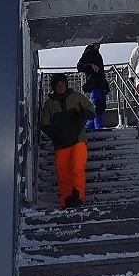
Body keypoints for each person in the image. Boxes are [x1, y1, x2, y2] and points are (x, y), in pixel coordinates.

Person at [40, 72, 95, 208]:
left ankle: (78, 198)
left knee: (77, 169)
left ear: (66, 84)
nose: (61, 87)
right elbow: (44, 124)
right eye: (58, 85)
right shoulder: (49, 105)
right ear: (53, 86)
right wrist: (55, 135)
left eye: (63, 84)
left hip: (78, 140)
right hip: (60, 144)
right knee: (63, 174)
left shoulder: (76, 97)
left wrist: (83, 115)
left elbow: (90, 110)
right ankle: (66, 201)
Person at [76, 41, 110, 130]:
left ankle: (88, 127)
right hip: (94, 84)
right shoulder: (88, 53)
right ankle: (98, 128)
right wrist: (90, 66)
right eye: (97, 44)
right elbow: (79, 66)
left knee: (101, 108)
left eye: (99, 44)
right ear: (92, 43)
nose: (99, 46)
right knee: (97, 107)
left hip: (100, 84)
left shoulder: (98, 55)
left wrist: (105, 84)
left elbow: (101, 72)